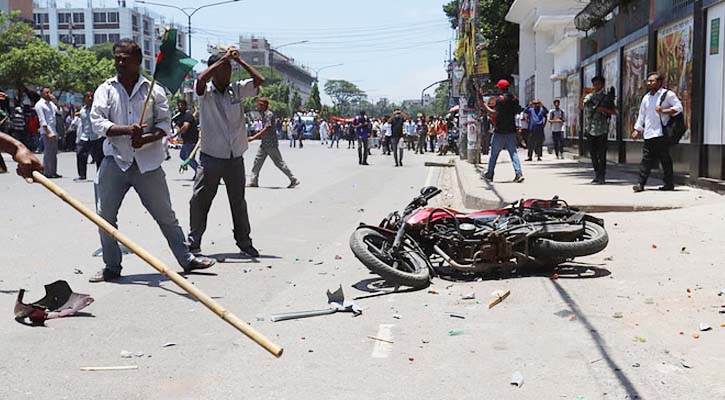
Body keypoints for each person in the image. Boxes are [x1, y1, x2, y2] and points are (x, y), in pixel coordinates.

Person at [89, 38, 215, 282]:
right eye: (117, 58)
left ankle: (186, 259)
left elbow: (164, 126)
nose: (120, 63)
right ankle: (111, 267)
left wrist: (145, 139)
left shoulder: (154, 91)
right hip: (115, 160)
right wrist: (126, 130)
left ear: (138, 61)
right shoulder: (105, 89)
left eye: (125, 59)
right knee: (104, 216)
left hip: (148, 164)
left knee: (165, 214)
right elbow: (97, 123)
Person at [188, 46, 265, 258]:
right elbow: (201, 81)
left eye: (230, 69)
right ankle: (194, 243)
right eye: (224, 68)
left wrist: (238, 60)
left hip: (234, 157)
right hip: (211, 156)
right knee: (200, 199)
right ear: (215, 70)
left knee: (238, 201)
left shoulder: (236, 90)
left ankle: (244, 241)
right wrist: (220, 61)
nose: (228, 73)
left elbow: (259, 81)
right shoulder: (204, 92)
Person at [631, 72, 683, 192]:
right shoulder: (646, 97)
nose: (649, 83)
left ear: (660, 82)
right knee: (646, 159)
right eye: (648, 81)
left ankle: (669, 183)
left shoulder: (667, 95)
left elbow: (679, 108)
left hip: (662, 133)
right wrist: (637, 129)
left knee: (665, 159)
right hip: (649, 133)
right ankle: (640, 183)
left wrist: (664, 111)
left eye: (652, 81)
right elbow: (642, 115)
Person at [249, 97, 300, 188]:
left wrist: (254, 137)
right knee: (257, 162)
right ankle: (254, 181)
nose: (258, 106)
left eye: (260, 105)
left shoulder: (269, 114)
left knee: (278, 162)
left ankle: (293, 179)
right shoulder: (263, 114)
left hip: (271, 144)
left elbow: (267, 128)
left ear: (265, 105)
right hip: (264, 143)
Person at [481, 79, 524, 183]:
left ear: (500, 88)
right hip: (511, 130)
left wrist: (484, 105)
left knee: (494, 154)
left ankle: (490, 174)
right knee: (513, 153)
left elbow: (494, 113)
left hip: (500, 131)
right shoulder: (514, 99)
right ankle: (518, 173)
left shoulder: (499, 100)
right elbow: (518, 111)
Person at [583, 76, 616, 184]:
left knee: (602, 154)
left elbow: (614, 112)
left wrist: (603, 109)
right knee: (593, 154)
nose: (597, 86)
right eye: (595, 84)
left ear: (602, 85)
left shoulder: (607, 98)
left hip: (603, 129)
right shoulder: (589, 97)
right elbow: (582, 105)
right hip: (591, 129)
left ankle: (602, 176)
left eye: (599, 84)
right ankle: (597, 173)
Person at [74, 91, 105, 181]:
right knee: (80, 154)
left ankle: (100, 175)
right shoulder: (82, 110)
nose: (90, 98)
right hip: (85, 136)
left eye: (91, 97)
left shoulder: (97, 109)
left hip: (96, 136)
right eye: (88, 97)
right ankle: (82, 175)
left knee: (98, 157)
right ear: (84, 99)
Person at [34, 87, 62, 178]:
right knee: (48, 152)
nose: (49, 94)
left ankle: (53, 171)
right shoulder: (40, 104)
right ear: (41, 94)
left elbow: (59, 111)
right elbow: (42, 120)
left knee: (53, 153)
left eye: (50, 92)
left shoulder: (51, 104)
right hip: (47, 131)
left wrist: (56, 102)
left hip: (53, 130)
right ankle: (47, 172)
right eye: (47, 92)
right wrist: (47, 132)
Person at [171, 99, 199, 178]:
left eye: (182, 105)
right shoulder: (180, 115)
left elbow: (185, 126)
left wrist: (175, 134)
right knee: (183, 156)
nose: (180, 107)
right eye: (179, 105)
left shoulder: (188, 115)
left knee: (188, 158)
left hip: (191, 140)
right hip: (186, 140)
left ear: (185, 106)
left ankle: (200, 173)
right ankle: (199, 172)